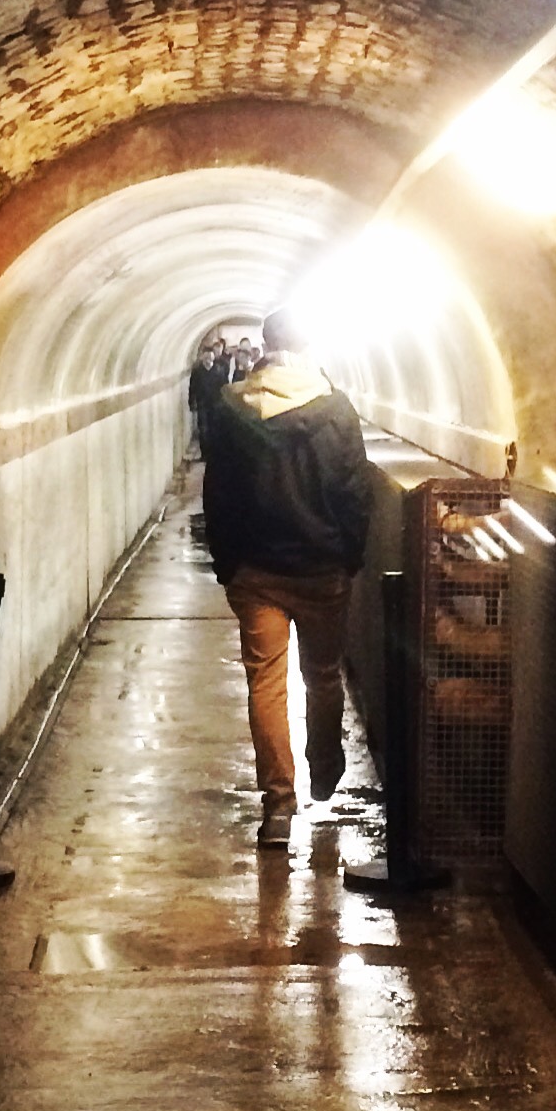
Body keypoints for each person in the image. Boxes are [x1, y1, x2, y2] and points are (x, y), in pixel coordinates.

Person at [201, 306, 373, 848]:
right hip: (322, 568)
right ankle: (324, 766)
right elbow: (354, 490)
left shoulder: (231, 408)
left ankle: (278, 805)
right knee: (322, 675)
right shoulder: (336, 409)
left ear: (265, 345)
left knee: (265, 682)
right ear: (309, 346)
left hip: (256, 571)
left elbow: (218, 493)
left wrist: (228, 563)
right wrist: (349, 555)